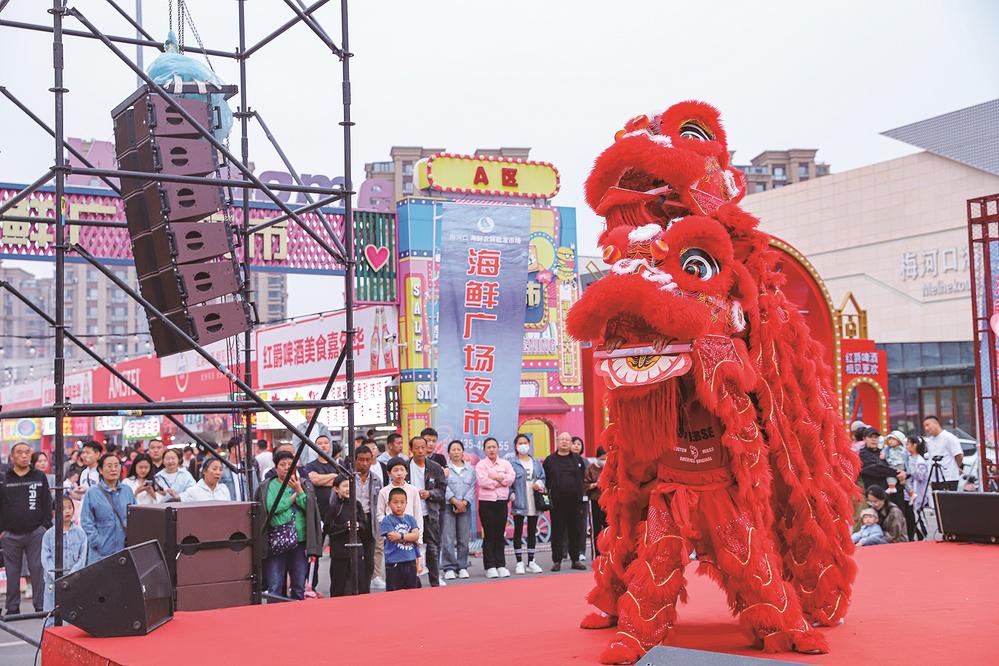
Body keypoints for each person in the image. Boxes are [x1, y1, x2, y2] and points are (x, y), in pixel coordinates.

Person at [257, 450, 322, 601]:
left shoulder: (303, 484)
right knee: (275, 585)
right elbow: (272, 508)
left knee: (299, 585)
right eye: (282, 464)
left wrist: (299, 491)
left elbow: (310, 509)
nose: (287, 467)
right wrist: (293, 498)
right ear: (276, 467)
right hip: (276, 542)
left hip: (299, 542)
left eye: (290, 464)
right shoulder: (268, 485)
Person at [0, 442, 52, 615]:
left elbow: (47, 502)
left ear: (31, 456)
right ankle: (12, 608)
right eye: (19, 453)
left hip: (35, 533)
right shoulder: (4, 478)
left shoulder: (39, 476)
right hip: (10, 535)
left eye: (27, 452)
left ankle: (40, 606)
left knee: (38, 571)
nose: (24, 456)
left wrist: (45, 527)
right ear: (12, 457)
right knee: (12, 573)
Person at [80, 453, 135, 564]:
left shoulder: (127, 490)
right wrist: (96, 541)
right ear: (100, 470)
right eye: (109, 466)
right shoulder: (92, 492)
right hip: (100, 552)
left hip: (123, 549)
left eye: (116, 465)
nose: (113, 469)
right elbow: (86, 520)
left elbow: (134, 516)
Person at [543, 432, 587, 571]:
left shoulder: (578, 459)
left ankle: (575, 559)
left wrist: (581, 497)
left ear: (570, 443)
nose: (564, 442)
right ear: (557, 441)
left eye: (567, 440)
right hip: (557, 503)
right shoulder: (550, 460)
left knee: (576, 531)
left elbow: (582, 480)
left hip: (575, 502)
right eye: (562, 439)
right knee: (557, 532)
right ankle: (557, 560)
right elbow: (545, 483)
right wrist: (547, 502)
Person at [407, 436, 446, 587]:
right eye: (417, 447)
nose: (421, 450)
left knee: (432, 548)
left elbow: (442, 491)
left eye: (423, 447)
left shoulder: (435, 467)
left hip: (429, 514)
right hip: (409, 515)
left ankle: (435, 581)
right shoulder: (405, 466)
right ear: (411, 449)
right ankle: (414, 583)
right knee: (410, 548)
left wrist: (430, 494)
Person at [41, 496, 87, 624]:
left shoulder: (80, 533)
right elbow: (46, 558)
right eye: (63, 508)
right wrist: (56, 576)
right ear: (54, 513)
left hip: (74, 580)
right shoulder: (49, 535)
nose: (67, 511)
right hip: (52, 582)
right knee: (51, 614)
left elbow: (82, 558)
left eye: (69, 507)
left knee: (73, 613)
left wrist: (72, 575)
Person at [475, 437, 515, 578]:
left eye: (494, 447)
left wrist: (496, 477)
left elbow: (511, 478)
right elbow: (483, 481)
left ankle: (501, 565)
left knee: (499, 534)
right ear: (484, 449)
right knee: (489, 535)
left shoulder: (505, 463)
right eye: (488, 447)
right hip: (487, 502)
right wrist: (501, 480)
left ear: (498, 448)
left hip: (502, 502)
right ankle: (490, 566)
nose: (491, 449)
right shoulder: (481, 465)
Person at [507, 434, 546, 575]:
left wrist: (539, 483)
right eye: (520, 443)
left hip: (534, 499)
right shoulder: (512, 462)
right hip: (520, 500)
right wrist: (511, 495)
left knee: (531, 530)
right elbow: (509, 482)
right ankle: (519, 562)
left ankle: (531, 561)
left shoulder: (535, 461)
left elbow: (542, 476)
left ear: (529, 445)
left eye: (525, 442)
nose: (523, 445)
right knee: (518, 531)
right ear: (516, 446)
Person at [375, 457, 423, 564]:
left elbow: (418, 514)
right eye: (395, 470)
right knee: (395, 563)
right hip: (393, 533)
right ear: (389, 473)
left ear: (406, 472)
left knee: (411, 566)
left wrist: (419, 538)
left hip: (411, 532)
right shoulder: (384, 492)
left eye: (402, 470)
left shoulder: (413, 490)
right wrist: (389, 528)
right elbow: (380, 514)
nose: (399, 473)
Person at [327, 474, 369, 596]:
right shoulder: (333, 506)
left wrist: (357, 526)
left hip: (357, 552)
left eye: (350, 486)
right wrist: (345, 527)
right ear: (336, 489)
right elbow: (328, 528)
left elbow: (364, 526)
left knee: (360, 586)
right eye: (345, 486)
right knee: (339, 587)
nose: (348, 489)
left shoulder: (357, 505)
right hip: (340, 553)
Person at [442, 440, 475, 580]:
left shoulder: (470, 469)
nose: (456, 452)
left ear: (463, 452)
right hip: (449, 506)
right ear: (449, 453)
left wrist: (464, 503)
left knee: (463, 538)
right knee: (448, 538)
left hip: (465, 507)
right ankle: (449, 567)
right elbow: (443, 486)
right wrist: (455, 501)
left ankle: (462, 566)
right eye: (453, 450)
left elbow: (473, 487)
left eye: (458, 449)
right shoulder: (445, 469)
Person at [380, 487, 421, 592]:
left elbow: (416, 535)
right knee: (393, 591)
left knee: (412, 590)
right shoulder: (387, 520)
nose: (399, 505)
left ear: (406, 503)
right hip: (394, 562)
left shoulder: (410, 519)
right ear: (389, 504)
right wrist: (409, 536)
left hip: (410, 560)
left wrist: (401, 536)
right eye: (395, 502)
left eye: (402, 502)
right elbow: (392, 537)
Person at [353, 446, 381, 593]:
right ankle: (353, 589)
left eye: (367, 460)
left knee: (369, 559)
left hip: (370, 520)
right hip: (353, 518)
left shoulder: (376, 479)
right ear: (355, 460)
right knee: (354, 557)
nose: (364, 463)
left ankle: (366, 590)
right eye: (361, 460)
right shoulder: (348, 477)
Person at [922, 416, 963, 491]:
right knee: (937, 501)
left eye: (928, 425)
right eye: (925, 426)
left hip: (949, 477)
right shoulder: (930, 441)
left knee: (948, 501)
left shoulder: (949, 437)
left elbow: (959, 455)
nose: (926, 428)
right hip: (934, 478)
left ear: (936, 423)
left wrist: (955, 467)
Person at [858, 428, 906, 492]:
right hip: (874, 493)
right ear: (864, 439)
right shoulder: (863, 454)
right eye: (870, 437)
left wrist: (904, 473)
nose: (873, 439)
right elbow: (876, 468)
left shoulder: (883, 452)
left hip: (890, 491)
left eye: (876, 437)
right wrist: (897, 473)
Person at [904, 435, 930, 540]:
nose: (906, 446)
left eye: (908, 444)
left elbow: (921, 476)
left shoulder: (920, 460)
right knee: (914, 515)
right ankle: (920, 535)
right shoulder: (910, 458)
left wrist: (909, 473)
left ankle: (924, 535)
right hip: (911, 491)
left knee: (918, 514)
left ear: (914, 445)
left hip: (918, 491)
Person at [584, 447, 608, 556]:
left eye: (606, 458)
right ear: (597, 458)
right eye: (602, 458)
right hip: (595, 501)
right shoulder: (590, 469)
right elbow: (584, 485)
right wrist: (595, 484)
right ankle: (596, 555)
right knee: (596, 528)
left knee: (609, 528)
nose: (604, 461)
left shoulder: (610, 468)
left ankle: (609, 553)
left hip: (609, 502)